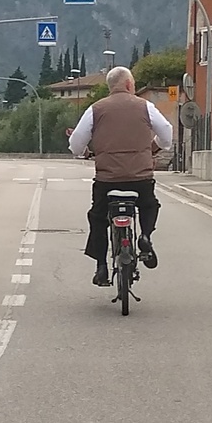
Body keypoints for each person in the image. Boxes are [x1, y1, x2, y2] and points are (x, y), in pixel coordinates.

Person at [69, 65, 173, 286]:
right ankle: (145, 236)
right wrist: (154, 148)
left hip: (107, 180)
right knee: (149, 204)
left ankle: (101, 268)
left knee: (97, 217)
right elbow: (166, 133)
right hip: (141, 177)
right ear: (128, 84)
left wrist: (84, 153)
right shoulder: (145, 106)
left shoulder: (95, 109)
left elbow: (76, 143)